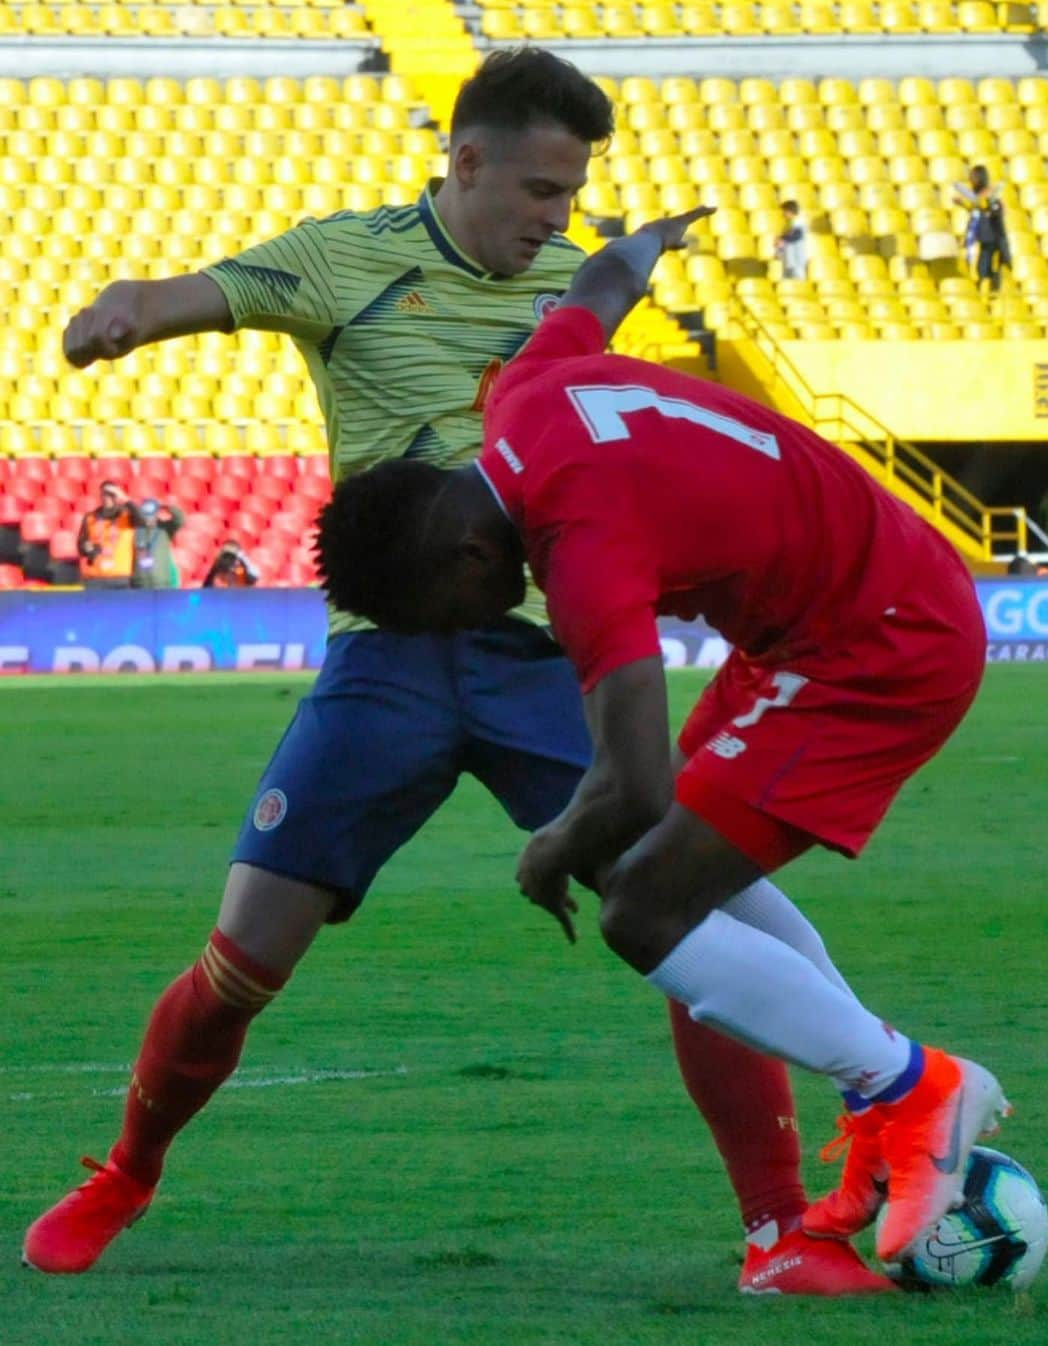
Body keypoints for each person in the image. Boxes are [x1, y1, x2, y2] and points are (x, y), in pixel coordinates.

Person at [25, 54, 881, 1295]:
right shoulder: (346, 258)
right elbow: (189, 293)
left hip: (548, 653)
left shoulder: (569, 293)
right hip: (390, 659)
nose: (557, 215)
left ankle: (779, 1231)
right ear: (466, 162)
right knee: (244, 957)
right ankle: (128, 1167)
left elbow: (607, 317)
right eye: (541, 187)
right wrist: (123, 315)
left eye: (574, 193)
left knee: (677, 905)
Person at [314, 215, 1012, 1269]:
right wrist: (654, 239)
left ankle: (917, 1088)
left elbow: (633, 783)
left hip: (875, 643)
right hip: (820, 618)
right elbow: (601, 284)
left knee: (642, 906)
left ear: (465, 547)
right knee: (691, 885)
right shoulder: (524, 394)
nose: (473, 623)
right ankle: (884, 1102)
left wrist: (545, 850)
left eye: (449, 608)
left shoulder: (579, 550)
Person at [953, 166, 1009, 294]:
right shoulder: (978, 197)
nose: (971, 180)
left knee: (985, 268)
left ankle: (989, 290)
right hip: (981, 237)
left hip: (990, 238)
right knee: (978, 267)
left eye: (973, 177)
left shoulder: (990, 196)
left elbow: (999, 210)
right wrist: (962, 203)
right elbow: (975, 209)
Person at [76, 480, 138, 588]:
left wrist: (125, 499)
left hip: (120, 578)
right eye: (104, 494)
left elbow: (142, 519)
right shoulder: (90, 517)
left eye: (111, 494)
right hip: (95, 577)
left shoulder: (127, 516)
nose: (107, 497)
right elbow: (81, 545)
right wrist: (86, 547)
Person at [130, 498, 184, 590]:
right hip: (140, 584)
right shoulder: (135, 530)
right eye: (145, 515)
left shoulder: (165, 529)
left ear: (156, 514)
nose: (147, 519)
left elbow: (179, 520)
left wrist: (166, 507)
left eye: (150, 515)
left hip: (161, 583)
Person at [773, 200, 808, 280]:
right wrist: (778, 251)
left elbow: (797, 235)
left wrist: (781, 238)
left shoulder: (799, 221)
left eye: (784, 211)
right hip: (787, 261)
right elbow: (783, 241)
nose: (783, 214)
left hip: (797, 261)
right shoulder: (786, 225)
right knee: (786, 287)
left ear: (790, 211)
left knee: (799, 285)